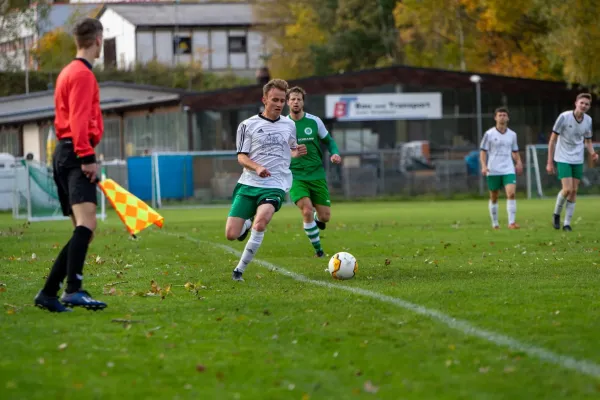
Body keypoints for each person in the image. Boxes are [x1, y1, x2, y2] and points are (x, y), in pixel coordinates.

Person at [34, 18, 107, 312]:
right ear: (98, 41)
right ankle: (73, 289)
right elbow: (78, 120)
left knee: (83, 227)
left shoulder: (68, 71)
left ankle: (50, 293)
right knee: (87, 226)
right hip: (76, 155)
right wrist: (87, 157)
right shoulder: (82, 75)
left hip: (66, 153)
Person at [225, 79, 307, 281]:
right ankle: (246, 224)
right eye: (275, 100)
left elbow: (291, 149)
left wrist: (297, 153)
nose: (279, 104)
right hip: (249, 184)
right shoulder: (247, 125)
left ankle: (239, 271)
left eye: (282, 100)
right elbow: (241, 157)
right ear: (264, 99)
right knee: (231, 234)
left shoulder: (289, 125)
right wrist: (257, 167)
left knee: (261, 223)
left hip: (275, 184)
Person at [285, 86, 341, 257]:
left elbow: (329, 141)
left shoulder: (314, 121)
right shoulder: (282, 125)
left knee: (325, 217)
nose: (296, 102)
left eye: (299, 99)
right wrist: (291, 154)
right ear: (288, 102)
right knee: (307, 209)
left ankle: (318, 219)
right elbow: (277, 151)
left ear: (303, 102)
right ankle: (319, 251)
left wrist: (335, 153)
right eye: (293, 99)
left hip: (316, 175)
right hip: (296, 176)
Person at [547, 93, 598, 231]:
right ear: (576, 103)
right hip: (562, 157)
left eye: (587, 104)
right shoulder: (564, 117)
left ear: (589, 106)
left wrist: (592, 152)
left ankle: (567, 224)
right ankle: (556, 214)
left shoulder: (588, 120)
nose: (584, 106)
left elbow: (587, 140)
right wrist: (549, 162)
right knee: (567, 189)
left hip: (577, 158)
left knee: (574, 191)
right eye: (582, 103)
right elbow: (552, 140)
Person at [479, 107, 523, 229]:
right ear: (495, 118)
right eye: (500, 115)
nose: (502, 117)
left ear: (508, 118)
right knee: (494, 196)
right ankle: (495, 223)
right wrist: (483, 165)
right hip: (493, 169)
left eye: (504, 115)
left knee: (511, 194)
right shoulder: (489, 134)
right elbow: (483, 151)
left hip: (508, 168)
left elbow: (515, 151)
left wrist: (518, 162)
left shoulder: (512, 135)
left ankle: (511, 223)